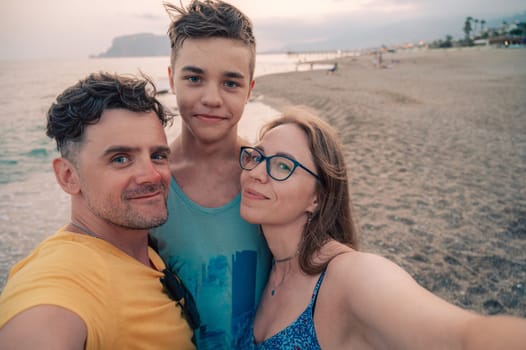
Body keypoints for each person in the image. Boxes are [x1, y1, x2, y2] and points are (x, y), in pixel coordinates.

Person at [238, 106, 526, 349]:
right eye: (257, 157)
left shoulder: (349, 276)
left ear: (318, 197)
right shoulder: (265, 264)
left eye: (283, 166)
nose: (256, 173)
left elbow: (463, 336)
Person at [0, 72, 196, 349]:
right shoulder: (66, 275)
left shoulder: (139, 249)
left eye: (157, 156)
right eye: (120, 159)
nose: (151, 175)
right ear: (68, 176)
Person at [149, 1, 271, 349]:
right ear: (172, 80)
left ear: (249, 89)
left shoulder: (269, 176)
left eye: (230, 83)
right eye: (194, 78)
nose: (212, 98)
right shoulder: (151, 185)